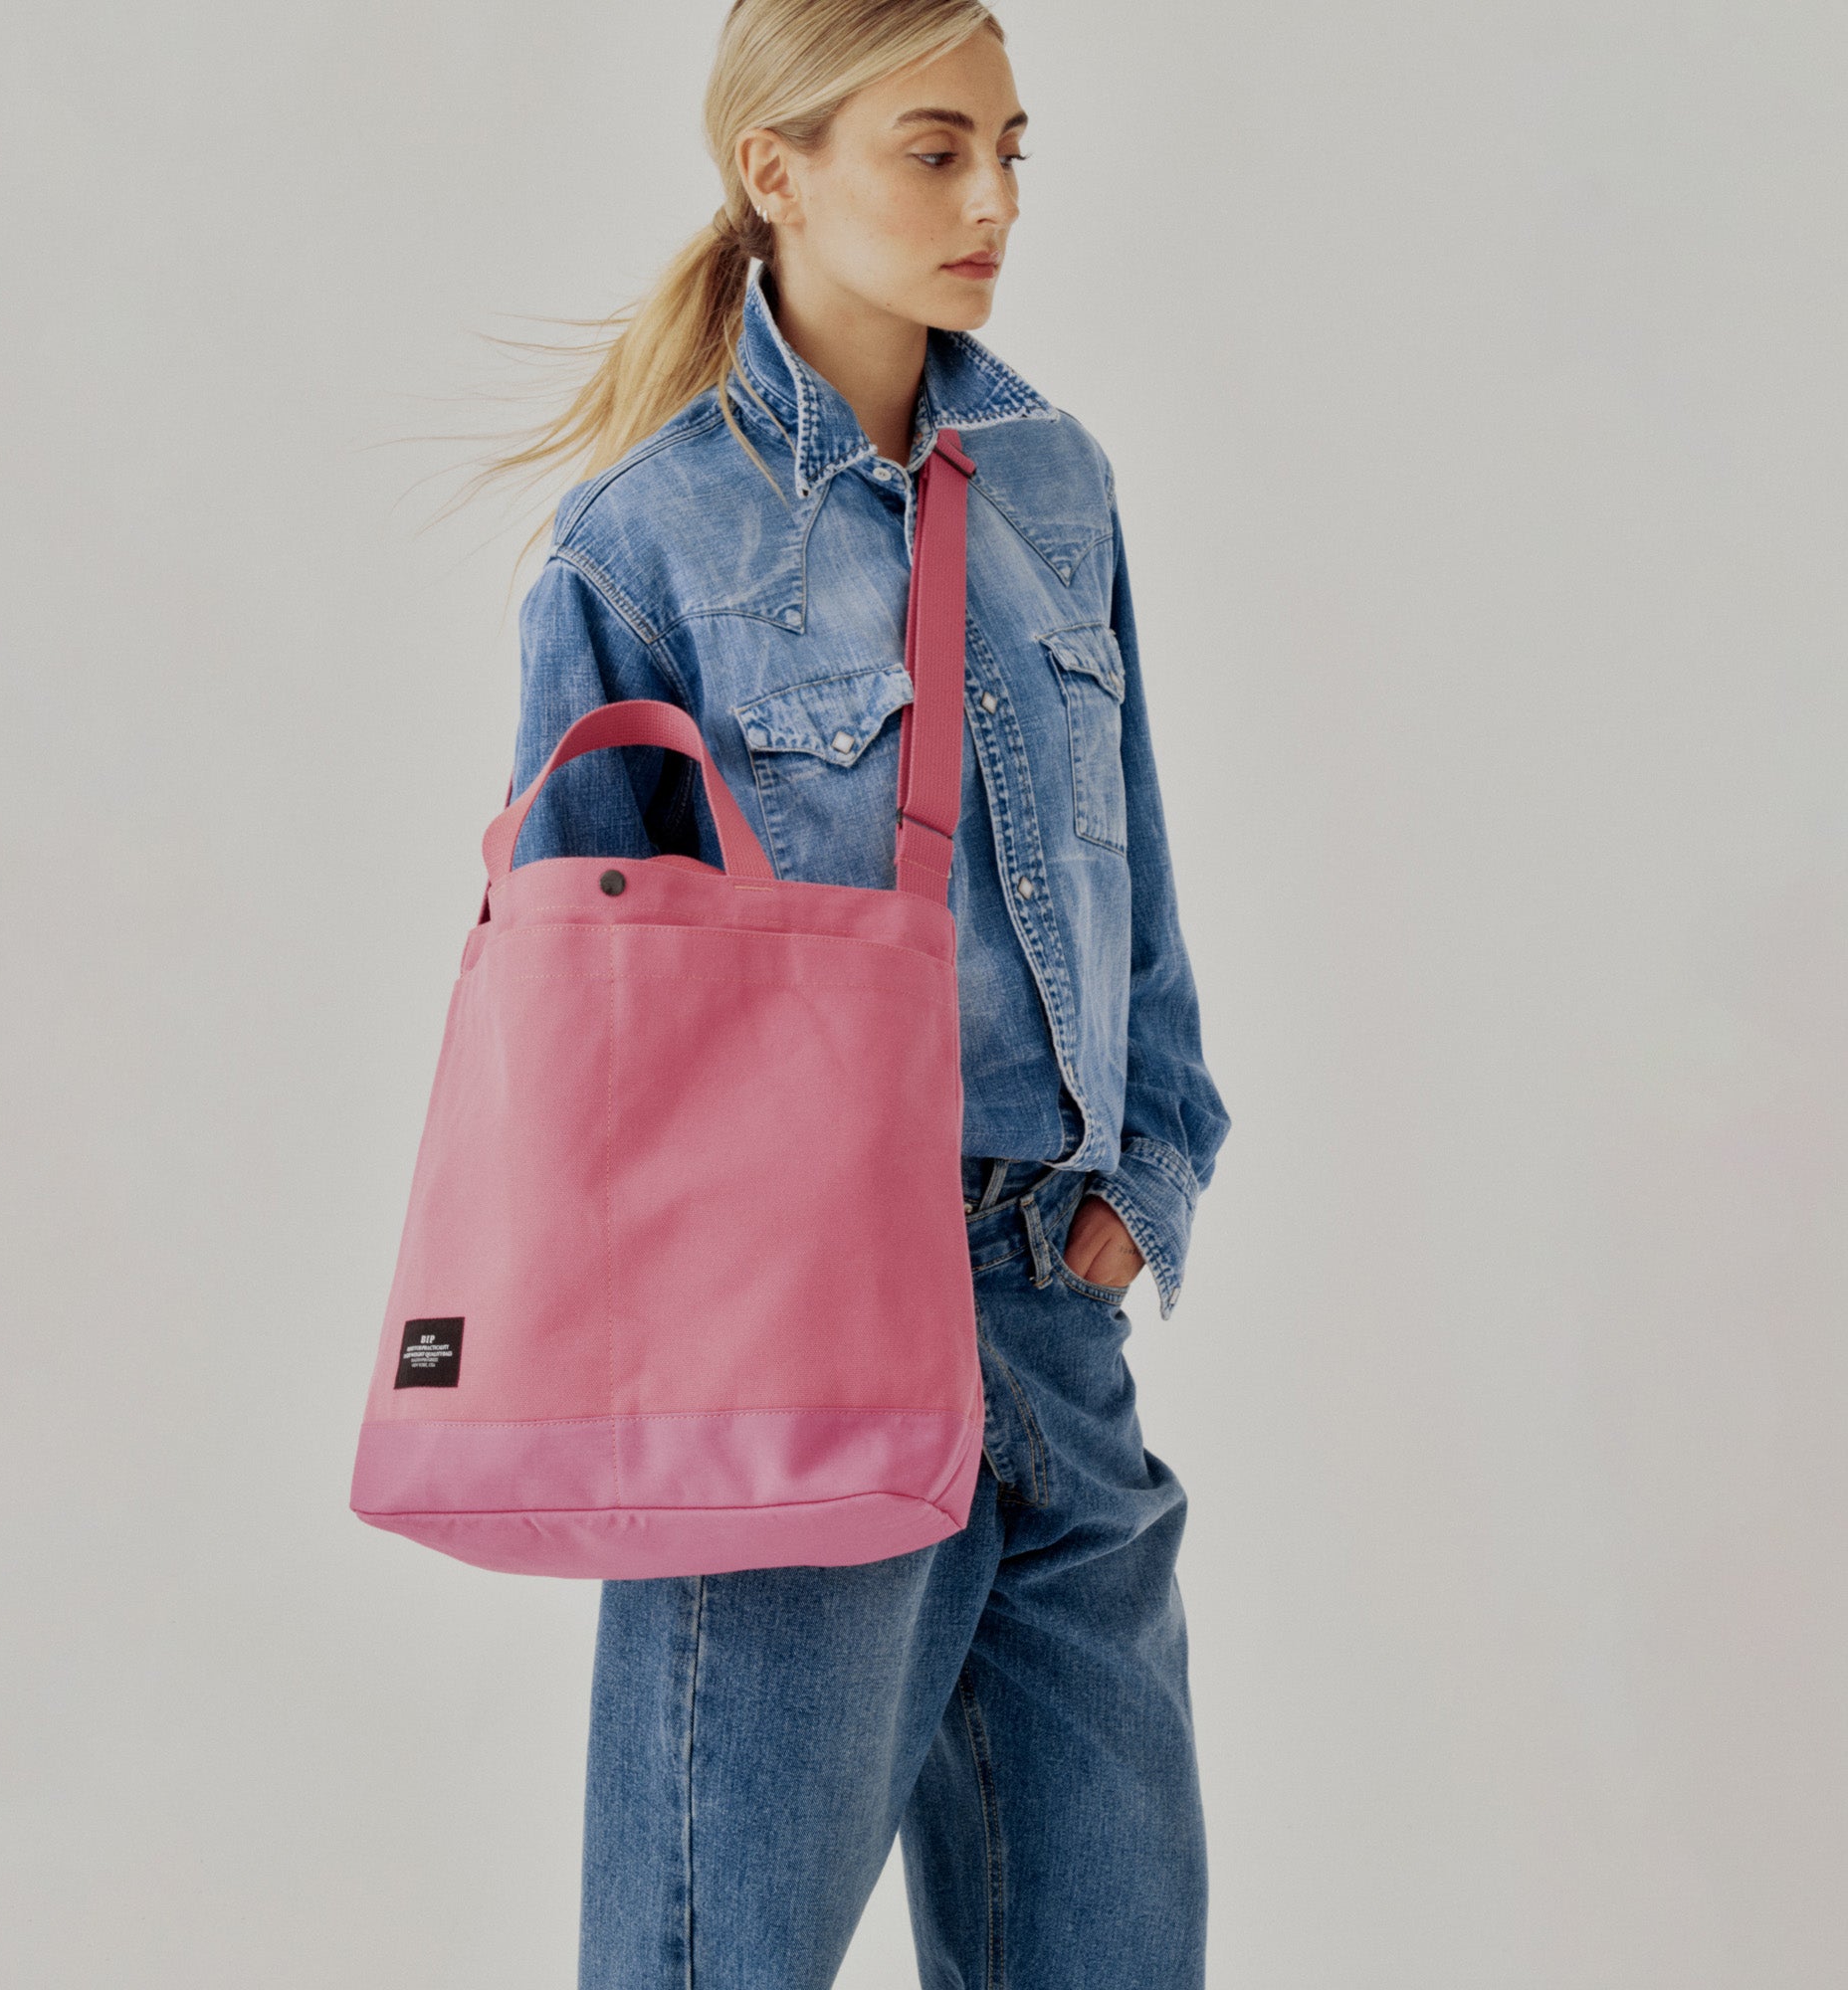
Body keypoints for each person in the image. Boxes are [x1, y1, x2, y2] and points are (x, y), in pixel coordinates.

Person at [489, 4, 1230, 1983]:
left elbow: (1132, 868)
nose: (990, 196)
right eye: (929, 147)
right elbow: (573, 1030)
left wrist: (1137, 1184)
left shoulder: (1053, 480)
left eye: (1009, 146)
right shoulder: (644, 539)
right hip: (791, 1350)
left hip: (1053, 1344)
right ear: (774, 169)